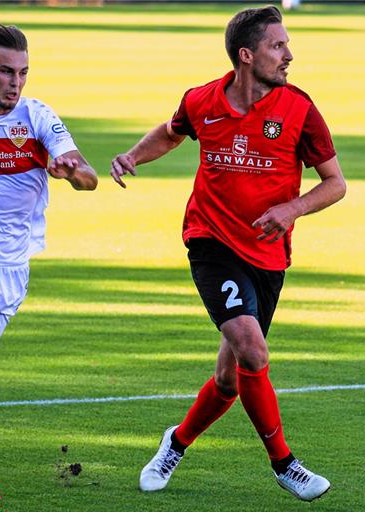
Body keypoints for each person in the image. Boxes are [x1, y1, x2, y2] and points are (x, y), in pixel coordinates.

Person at [110, 6, 345, 502]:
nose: (289, 55)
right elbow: (171, 132)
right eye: (277, 46)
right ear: (247, 54)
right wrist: (133, 155)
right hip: (211, 241)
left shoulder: (300, 109)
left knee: (230, 377)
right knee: (253, 349)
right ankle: (285, 465)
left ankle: (174, 443)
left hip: (267, 256)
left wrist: (292, 209)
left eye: (286, 45)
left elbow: (335, 184)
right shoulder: (202, 100)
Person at [0, 22, 98, 508]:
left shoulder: (37, 117)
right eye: (5, 71)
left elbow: (88, 176)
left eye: (22, 72)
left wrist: (71, 170)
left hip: (13, 270)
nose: (15, 82)